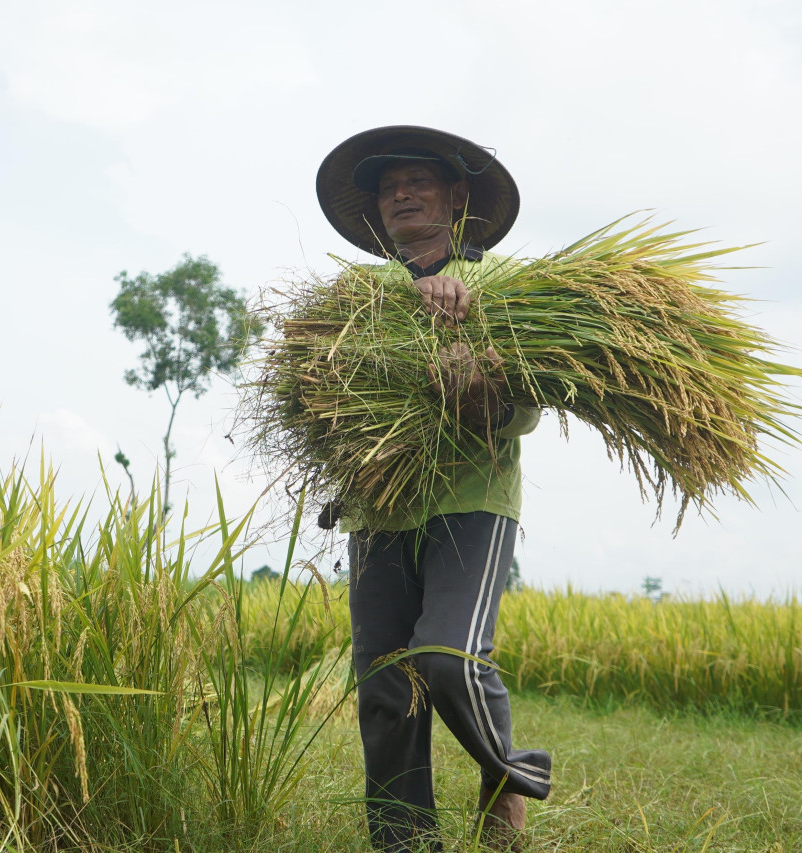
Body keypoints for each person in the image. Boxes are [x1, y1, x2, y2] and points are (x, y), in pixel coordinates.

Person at [315, 126, 551, 852]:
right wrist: (410, 311)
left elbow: (529, 409)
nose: (401, 195)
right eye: (389, 188)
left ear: (455, 196)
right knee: (386, 687)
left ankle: (509, 776)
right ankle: (403, 842)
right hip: (378, 507)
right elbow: (321, 394)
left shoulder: (508, 286)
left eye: (416, 181)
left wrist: (480, 381)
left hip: (471, 502)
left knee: (449, 657)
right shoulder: (355, 295)